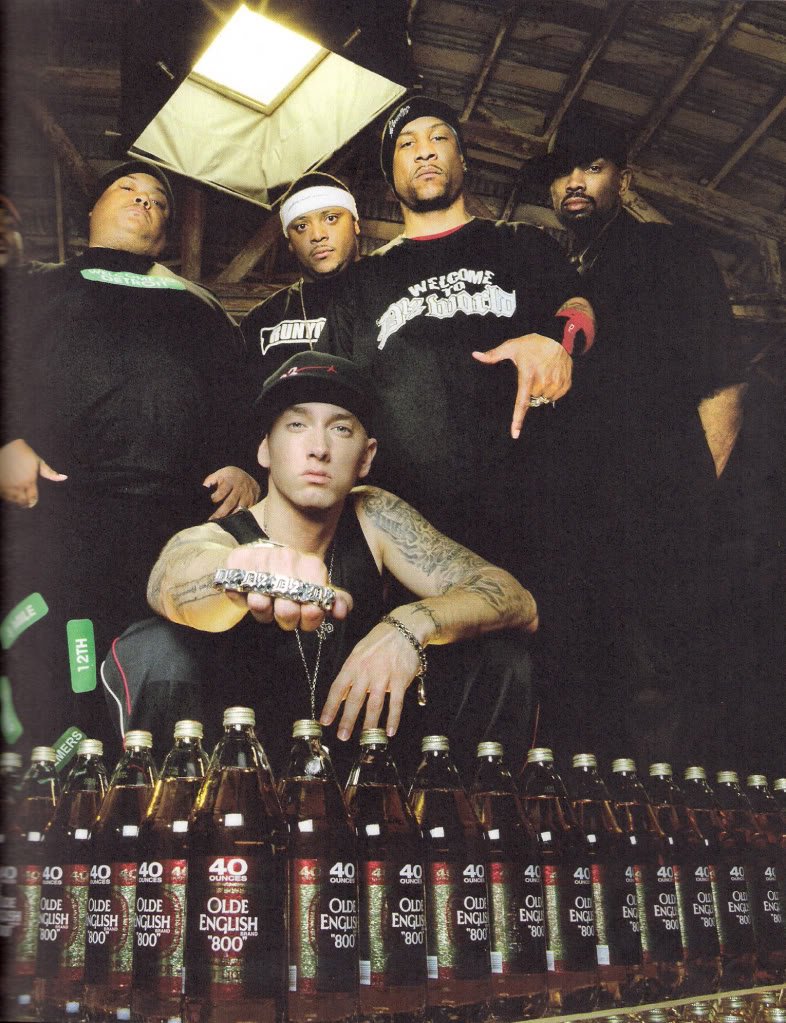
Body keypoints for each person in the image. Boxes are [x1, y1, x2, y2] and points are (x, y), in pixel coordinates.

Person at [103, 351, 539, 781]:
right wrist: (241, 571)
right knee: (155, 647)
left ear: (366, 457)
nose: (319, 449)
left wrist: (410, 624)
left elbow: (518, 602)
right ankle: (173, 814)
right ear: (265, 449)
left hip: (356, 756)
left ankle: (459, 813)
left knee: (500, 656)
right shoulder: (222, 536)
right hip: (240, 766)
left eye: (341, 429)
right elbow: (169, 579)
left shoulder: (374, 515)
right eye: (297, 425)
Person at [0, 160, 259, 755]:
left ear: (165, 234)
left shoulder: (203, 310)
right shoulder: (33, 292)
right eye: (129, 190)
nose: (145, 202)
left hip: (173, 529)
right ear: (92, 210)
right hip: (58, 514)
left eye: (158, 201)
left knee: (167, 671)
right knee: (57, 667)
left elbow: (241, 402)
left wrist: (243, 464)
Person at [524, 115, 750, 764]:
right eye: (563, 172)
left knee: (659, 680)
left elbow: (724, 383)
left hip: (659, 510)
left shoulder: (668, 252)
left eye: (592, 167)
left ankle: (672, 816)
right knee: (582, 679)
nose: (574, 182)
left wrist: (690, 500)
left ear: (625, 180)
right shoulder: (558, 273)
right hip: (578, 520)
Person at [316, 96, 595, 590]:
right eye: (407, 144)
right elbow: (331, 398)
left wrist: (559, 342)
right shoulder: (358, 285)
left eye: (439, 138)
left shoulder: (522, 244)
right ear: (391, 176)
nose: (425, 151)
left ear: (462, 160)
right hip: (414, 542)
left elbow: (580, 306)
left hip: (538, 515)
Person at [241, 172, 361, 383]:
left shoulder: (390, 298)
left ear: (356, 224)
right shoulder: (262, 319)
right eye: (301, 226)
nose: (317, 235)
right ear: (290, 242)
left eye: (330, 218)